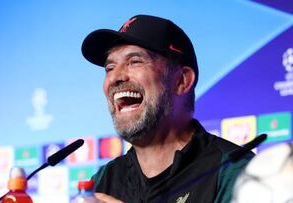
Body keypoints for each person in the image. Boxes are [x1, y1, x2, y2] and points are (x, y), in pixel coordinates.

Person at [81, 14, 254, 203]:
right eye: (110, 67)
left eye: (134, 61)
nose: (115, 77)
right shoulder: (103, 182)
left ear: (181, 81)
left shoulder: (235, 172)